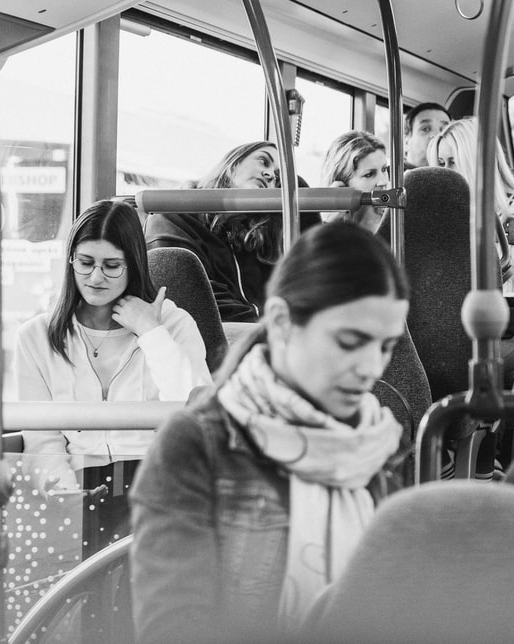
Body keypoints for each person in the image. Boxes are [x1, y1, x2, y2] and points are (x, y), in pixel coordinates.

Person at [130, 222, 409, 642]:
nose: (372, 368)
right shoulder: (197, 444)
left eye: (386, 347)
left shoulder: (376, 442)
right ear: (281, 322)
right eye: (350, 341)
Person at [9, 199, 210, 556]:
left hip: (160, 487)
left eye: (112, 266)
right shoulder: (36, 336)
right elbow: (42, 439)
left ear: (134, 265)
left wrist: (151, 332)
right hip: (79, 489)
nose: (96, 277)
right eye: (85, 263)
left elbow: (198, 413)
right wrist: (64, 493)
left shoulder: (173, 324)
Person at [430, 117, 514, 378]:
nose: (447, 173)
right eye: (441, 164)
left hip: (508, 331)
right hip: (444, 328)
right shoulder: (439, 216)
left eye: (453, 162)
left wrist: (476, 310)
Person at [145, 141, 289, 322]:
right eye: (263, 161)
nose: (269, 175)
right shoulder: (175, 216)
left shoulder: (256, 241)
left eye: (277, 178)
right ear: (234, 163)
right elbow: (191, 294)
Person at [321, 130, 390, 233]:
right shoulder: (330, 234)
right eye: (369, 174)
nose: (384, 181)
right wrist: (329, 223)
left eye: (384, 169)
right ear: (342, 188)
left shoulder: (396, 224)